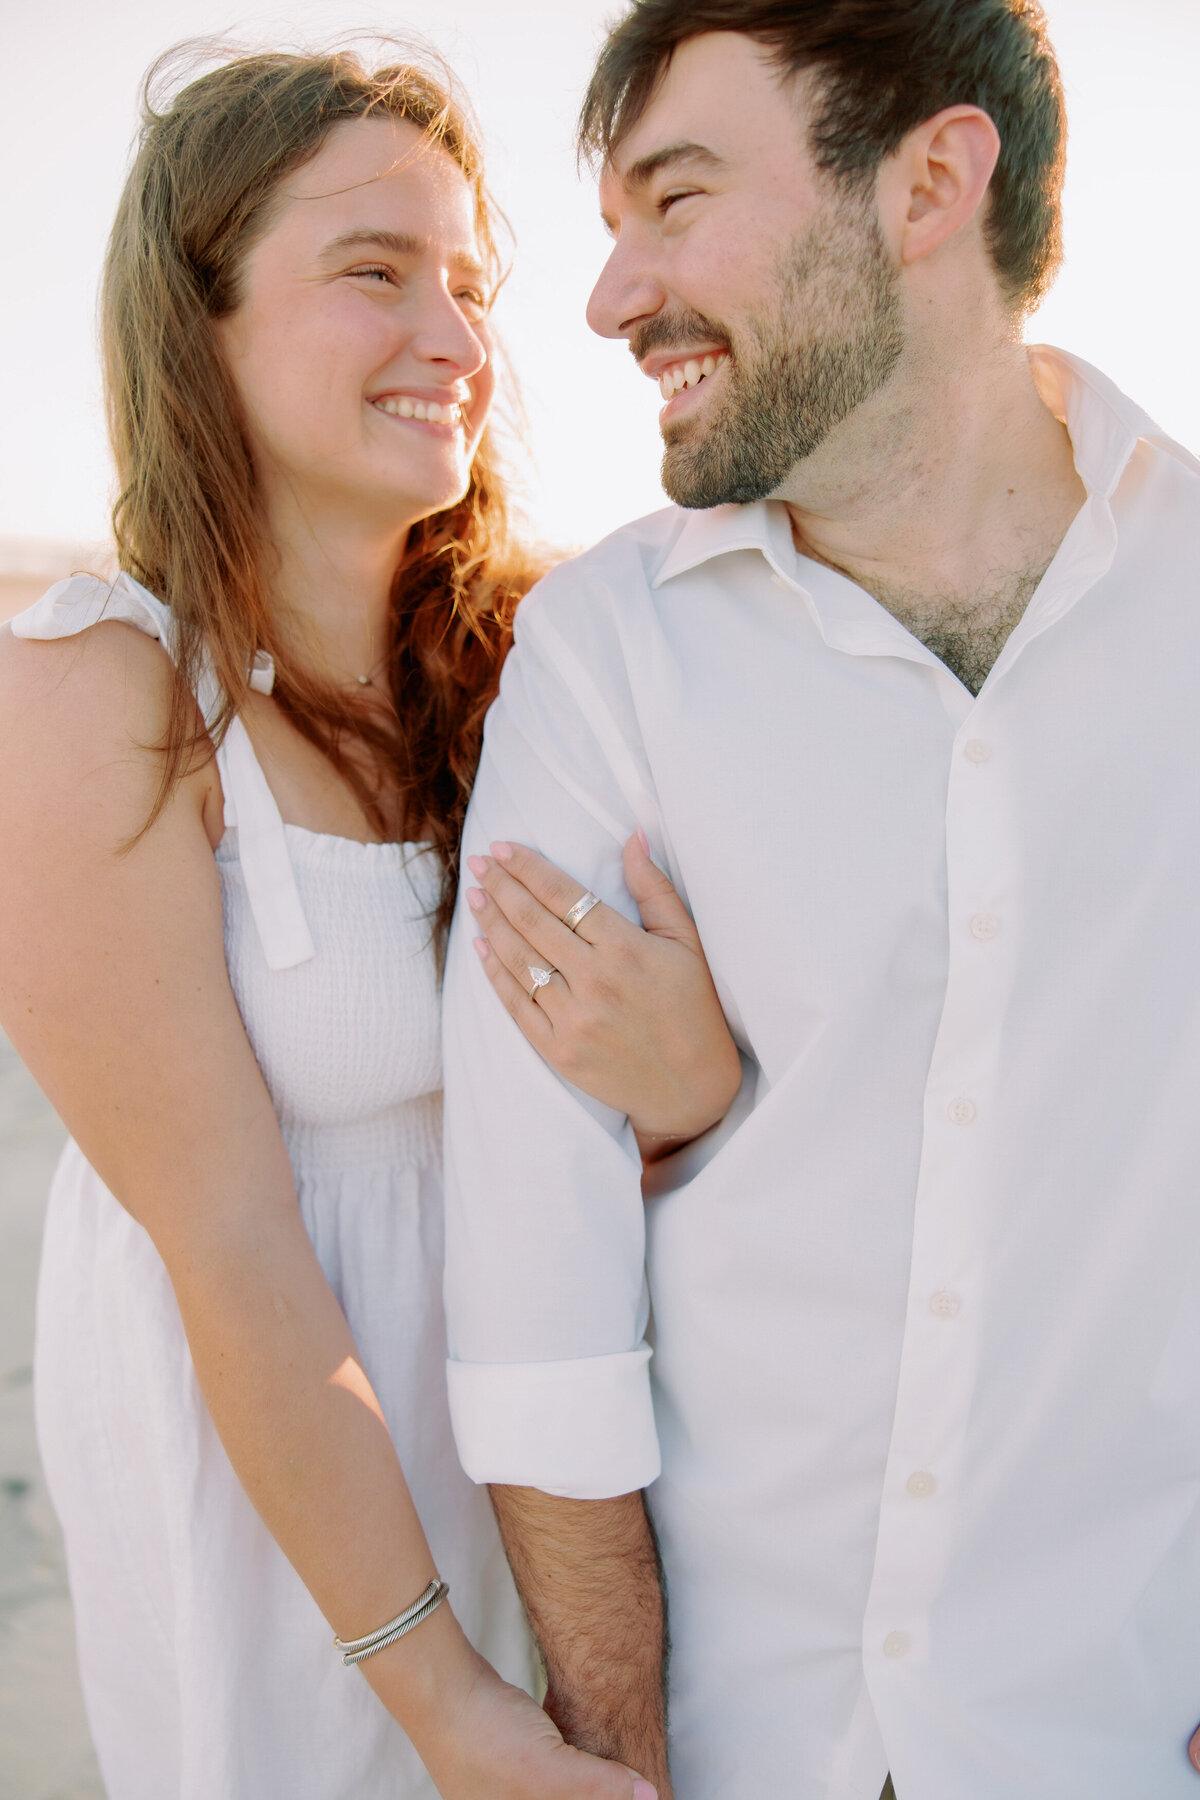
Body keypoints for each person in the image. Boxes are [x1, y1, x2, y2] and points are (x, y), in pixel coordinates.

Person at [443, 3, 1200, 1797]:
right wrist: (620, 1758)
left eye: (677, 200)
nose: (613, 296)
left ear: (931, 180)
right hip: (739, 1746)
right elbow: (539, 1291)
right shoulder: (605, 651)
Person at [0, 43, 737, 1800]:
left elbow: (640, 1121)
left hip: (562, 1476)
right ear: (203, 321)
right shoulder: (98, 691)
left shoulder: (538, 672)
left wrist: (694, 1089)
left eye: (471, 284)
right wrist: (450, 1711)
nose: (461, 340)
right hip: (292, 1533)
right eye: (374, 272)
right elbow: (236, 1255)